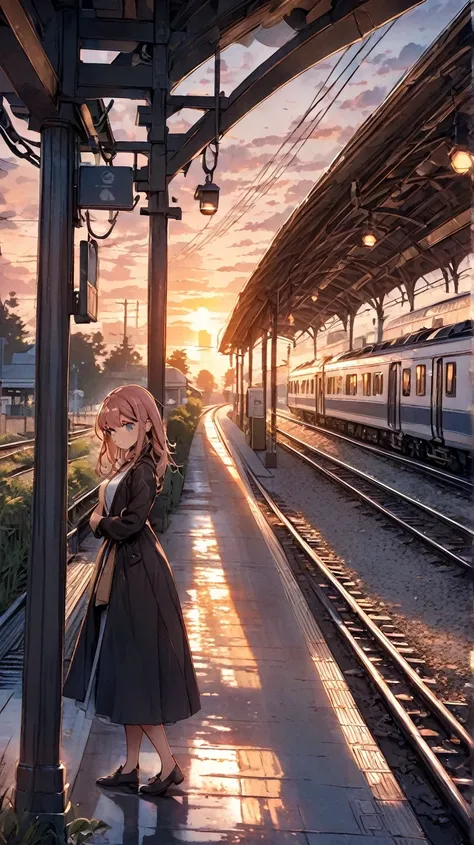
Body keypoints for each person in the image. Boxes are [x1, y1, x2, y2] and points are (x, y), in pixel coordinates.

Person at [63, 384, 200, 796]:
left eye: (123, 425)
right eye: (110, 429)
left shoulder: (141, 471)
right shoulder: (130, 466)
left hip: (138, 576)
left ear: (142, 423)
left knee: (136, 672)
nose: (116, 434)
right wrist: (103, 517)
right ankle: (131, 765)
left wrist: (97, 524)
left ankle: (169, 765)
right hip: (125, 571)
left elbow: (130, 523)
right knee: (126, 669)